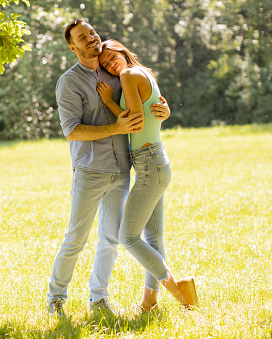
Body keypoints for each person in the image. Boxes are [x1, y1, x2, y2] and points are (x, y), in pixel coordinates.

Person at [47, 19, 171, 317]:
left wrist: (164, 110)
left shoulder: (114, 71)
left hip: (122, 170)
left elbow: (142, 105)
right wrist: (115, 127)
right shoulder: (69, 82)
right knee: (76, 237)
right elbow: (72, 131)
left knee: (111, 240)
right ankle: (56, 298)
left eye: (92, 33)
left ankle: (99, 299)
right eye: (82, 37)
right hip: (90, 169)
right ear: (72, 46)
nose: (90, 39)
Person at [96, 39, 198, 311]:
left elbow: (136, 121)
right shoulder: (145, 73)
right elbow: (154, 113)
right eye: (105, 64)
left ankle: (178, 290)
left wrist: (108, 102)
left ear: (121, 50)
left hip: (150, 164)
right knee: (153, 240)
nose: (110, 64)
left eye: (112, 56)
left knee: (127, 237)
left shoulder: (129, 74)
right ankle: (149, 300)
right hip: (155, 162)